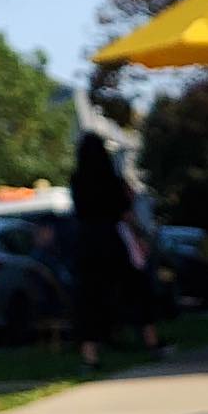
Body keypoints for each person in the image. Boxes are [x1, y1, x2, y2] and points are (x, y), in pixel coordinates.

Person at [69, 134, 161, 371]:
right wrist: (140, 237)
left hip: (87, 243)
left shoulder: (77, 182)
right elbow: (125, 213)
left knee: (89, 299)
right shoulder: (112, 181)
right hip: (113, 239)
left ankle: (90, 355)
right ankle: (151, 341)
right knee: (136, 290)